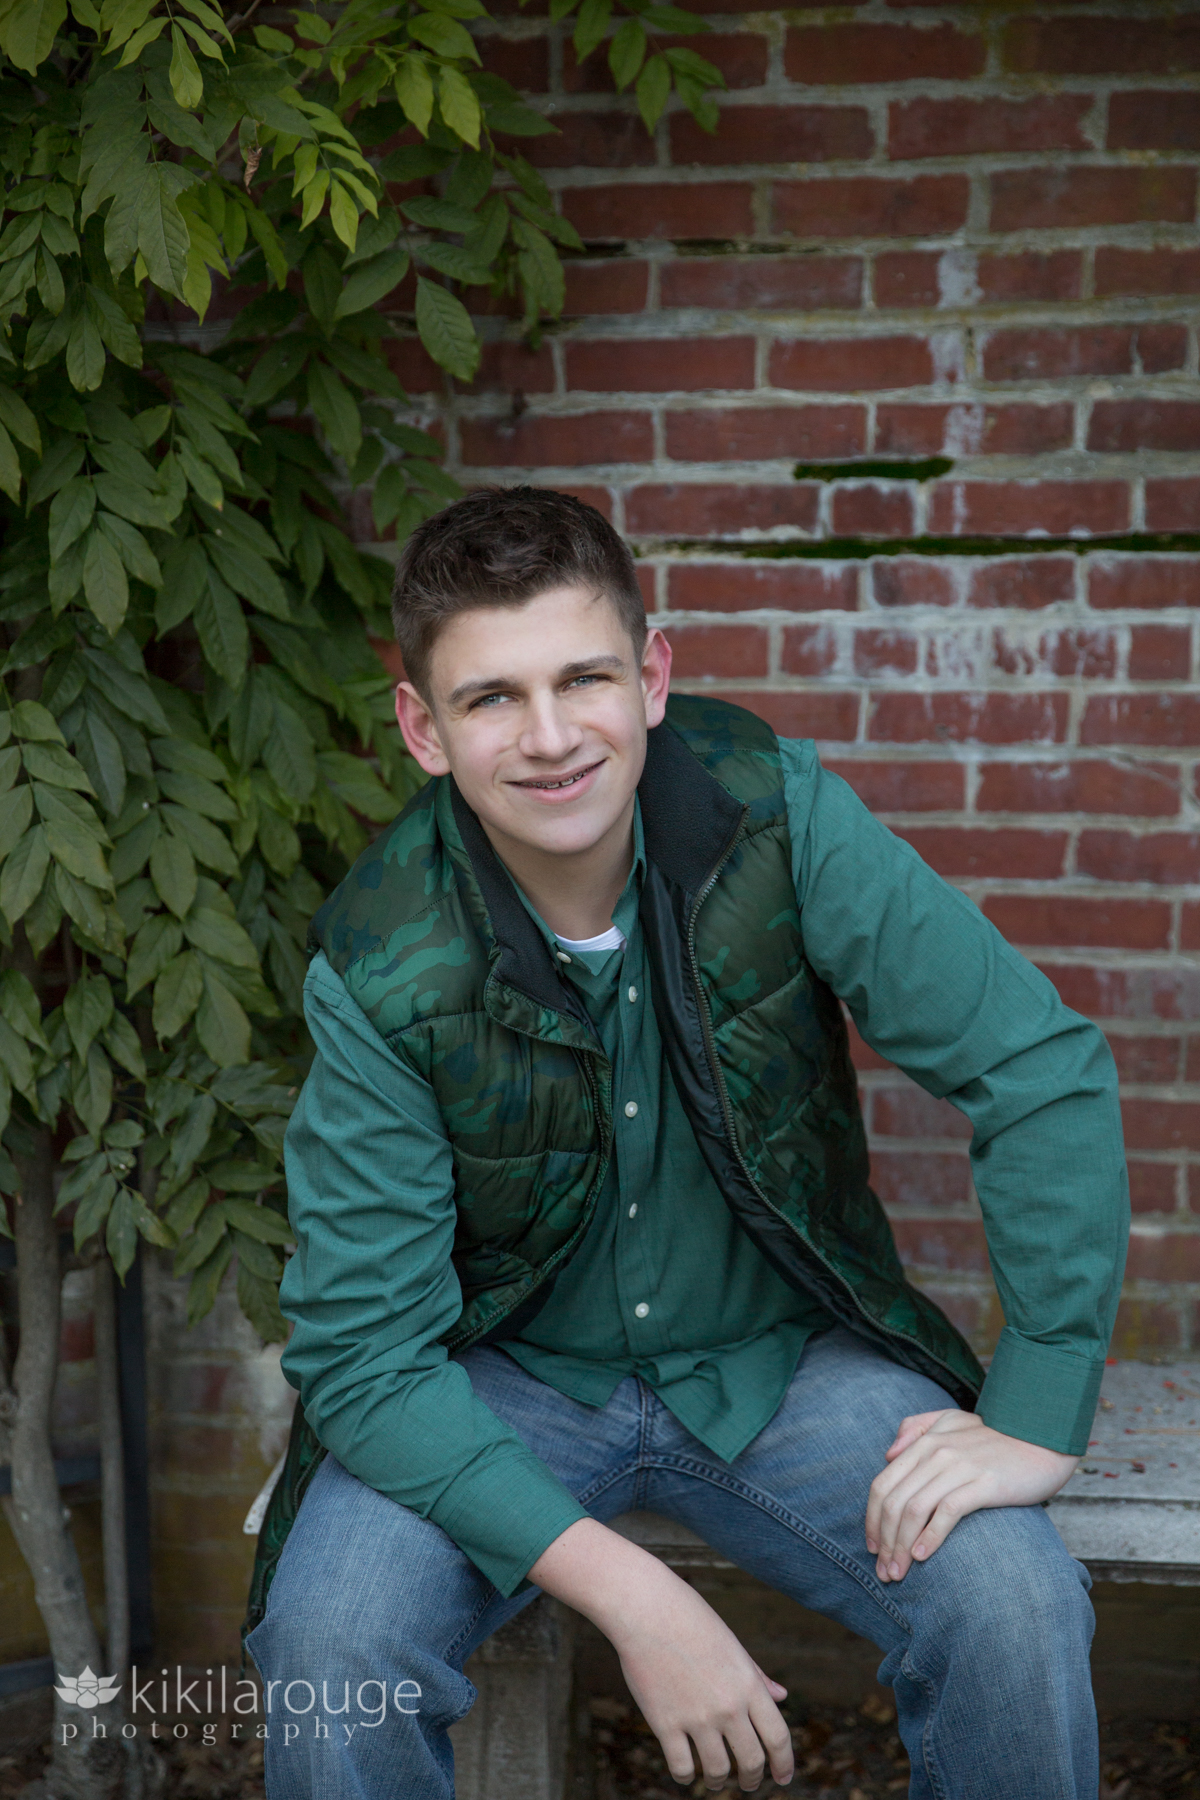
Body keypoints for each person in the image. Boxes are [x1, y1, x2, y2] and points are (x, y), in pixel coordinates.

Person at [244, 486, 1128, 1800]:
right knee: (328, 1649)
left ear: (651, 676)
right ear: (424, 729)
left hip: (782, 1367)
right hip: (500, 1381)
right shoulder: (382, 956)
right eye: (492, 698)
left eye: (584, 677)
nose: (550, 739)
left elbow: (1034, 1066)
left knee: (1014, 1606)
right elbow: (364, 1357)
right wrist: (639, 1601)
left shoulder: (776, 816)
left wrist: (1043, 1405)